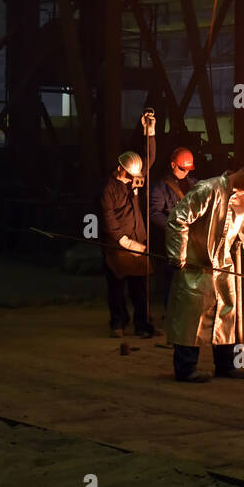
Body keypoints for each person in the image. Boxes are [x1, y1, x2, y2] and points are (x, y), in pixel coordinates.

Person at [165, 162, 244, 382]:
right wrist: (178, 254)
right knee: (191, 317)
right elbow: (178, 217)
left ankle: (225, 366)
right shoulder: (208, 190)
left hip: (224, 269)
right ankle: (185, 369)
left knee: (226, 316)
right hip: (196, 266)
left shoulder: (243, 203)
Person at [101, 111, 157, 338]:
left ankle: (142, 324)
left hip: (138, 238)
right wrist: (124, 241)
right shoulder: (108, 188)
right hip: (117, 244)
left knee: (140, 288)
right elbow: (108, 217)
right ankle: (118, 323)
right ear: (120, 169)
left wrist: (149, 132)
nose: (136, 177)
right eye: (131, 174)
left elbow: (148, 159)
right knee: (116, 286)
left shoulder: (134, 176)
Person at [149, 146, 197, 318]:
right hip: (170, 241)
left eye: (188, 169)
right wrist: (174, 228)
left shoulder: (194, 184)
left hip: (190, 241)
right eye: (182, 168)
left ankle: (186, 313)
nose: (185, 172)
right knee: (171, 280)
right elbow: (154, 213)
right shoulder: (160, 187)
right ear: (172, 165)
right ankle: (172, 314)